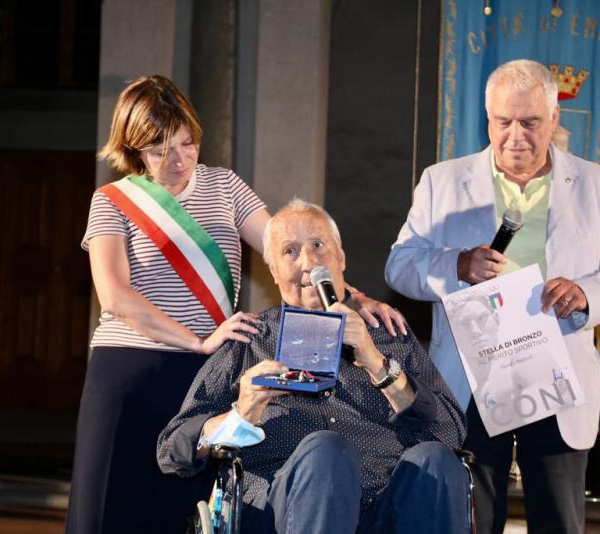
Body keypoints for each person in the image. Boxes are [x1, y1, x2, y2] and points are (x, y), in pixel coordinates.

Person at [67, 75, 404, 533]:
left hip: (207, 375)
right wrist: (197, 340)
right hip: (131, 372)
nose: (180, 159)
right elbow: (114, 295)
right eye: (161, 150)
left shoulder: (225, 186)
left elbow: (291, 254)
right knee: (112, 510)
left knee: (194, 514)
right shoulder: (111, 201)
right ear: (134, 148)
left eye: (188, 143)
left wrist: (354, 297)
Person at [385, 59, 600, 533]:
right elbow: (399, 265)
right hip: (471, 377)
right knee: (471, 521)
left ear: (555, 118)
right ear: (487, 119)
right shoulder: (442, 181)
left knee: (559, 521)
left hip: (558, 375)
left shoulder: (596, 184)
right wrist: (456, 265)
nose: (515, 137)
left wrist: (584, 292)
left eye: (530, 122)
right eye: (503, 122)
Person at [157, 200, 470, 534]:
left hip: (387, 505)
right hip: (285, 508)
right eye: (289, 251)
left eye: (318, 245)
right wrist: (240, 414)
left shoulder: (386, 333)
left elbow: (450, 432)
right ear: (273, 271)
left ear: (341, 258)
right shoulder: (249, 340)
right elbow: (172, 449)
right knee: (327, 451)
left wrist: (376, 363)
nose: (308, 263)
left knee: (436, 461)